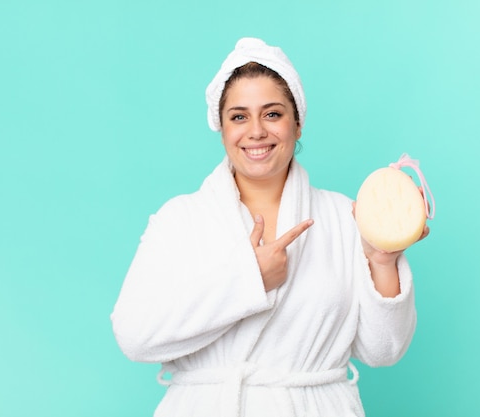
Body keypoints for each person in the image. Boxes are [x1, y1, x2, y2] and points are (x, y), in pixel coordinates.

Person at [111, 37, 428, 417]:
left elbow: (384, 351)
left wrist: (381, 261)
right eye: (239, 116)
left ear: (297, 124)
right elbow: (134, 337)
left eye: (273, 114)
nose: (256, 131)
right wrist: (249, 280)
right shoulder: (180, 220)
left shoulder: (345, 217)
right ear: (222, 127)